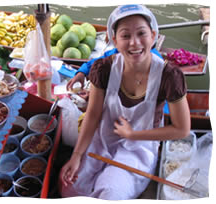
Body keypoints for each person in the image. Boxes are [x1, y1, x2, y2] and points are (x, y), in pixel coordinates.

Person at [59, 4, 190, 200]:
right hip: (102, 140)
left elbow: (182, 129)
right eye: (125, 36)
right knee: (71, 188)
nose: (134, 43)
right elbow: (93, 115)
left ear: (153, 36)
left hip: (140, 148)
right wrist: (76, 156)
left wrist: (133, 134)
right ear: (114, 40)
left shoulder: (168, 76)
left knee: (111, 192)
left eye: (141, 34)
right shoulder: (103, 69)